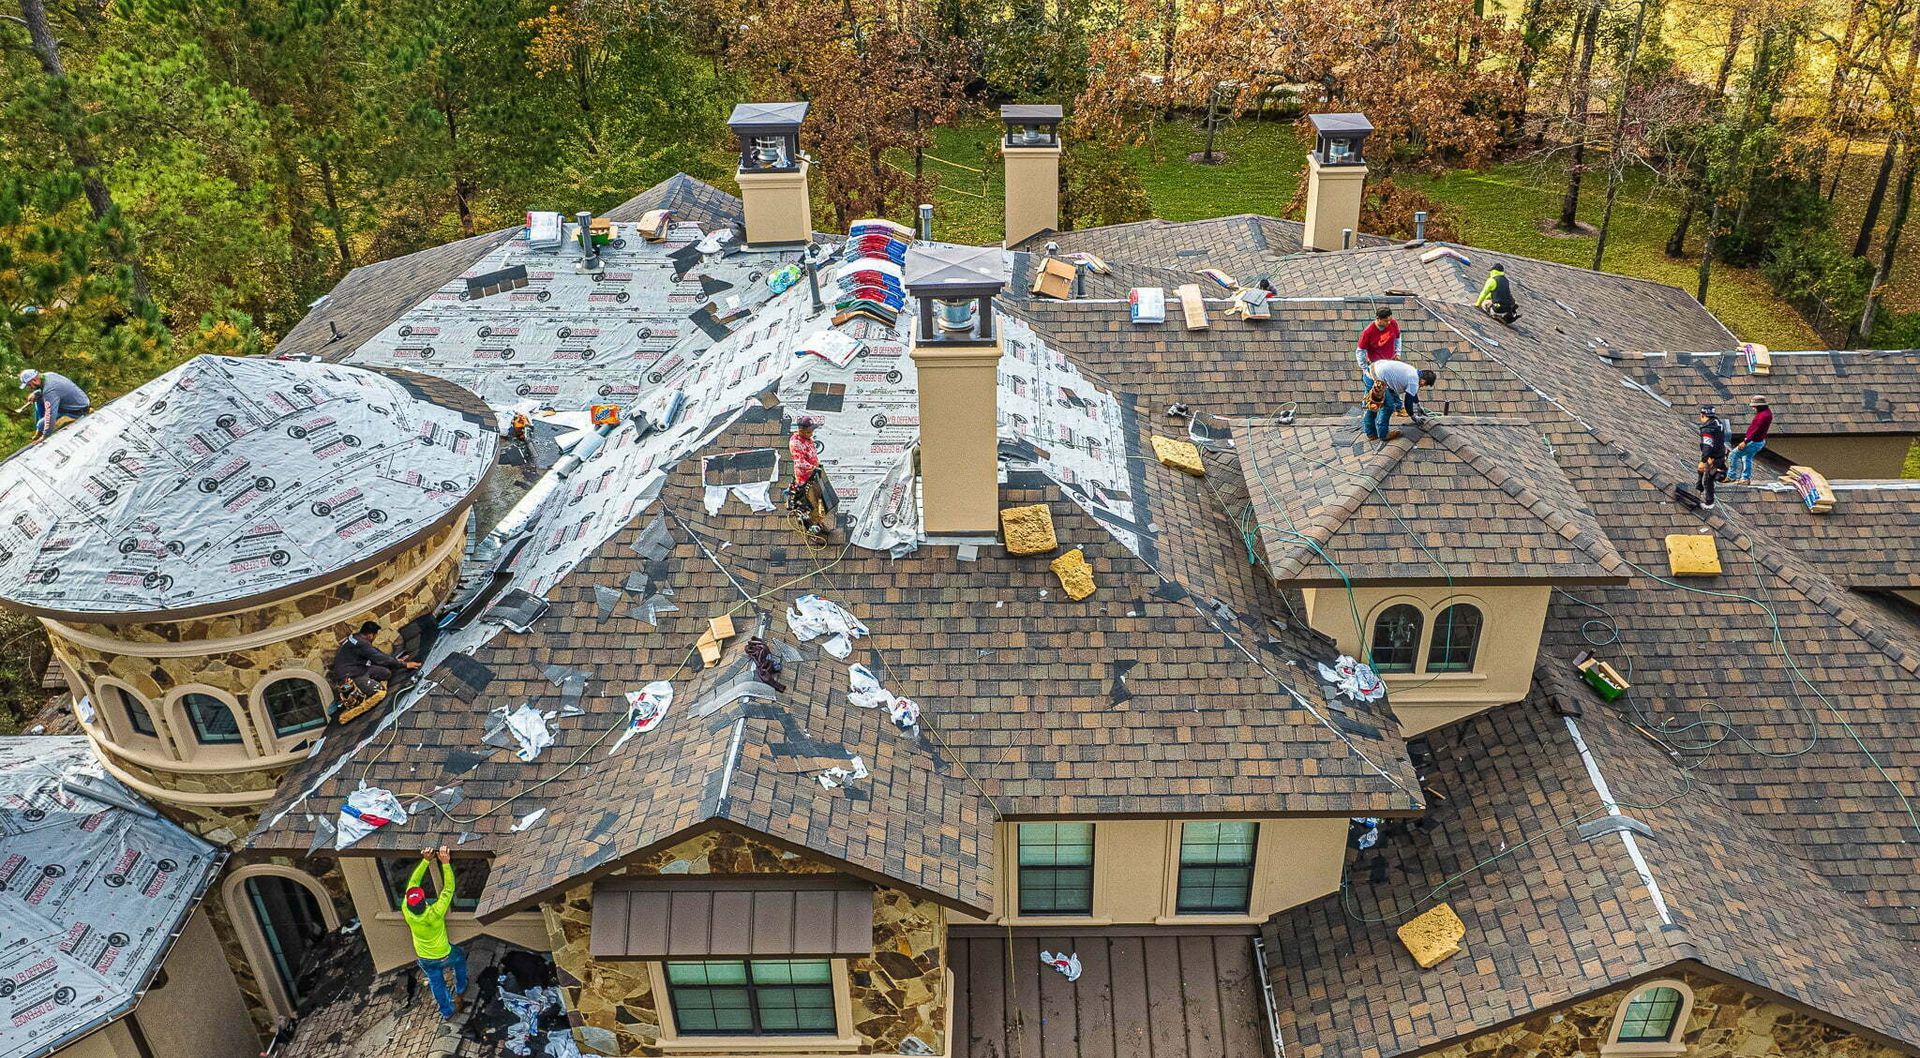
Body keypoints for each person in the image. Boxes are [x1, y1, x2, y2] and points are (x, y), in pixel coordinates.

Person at [405, 846, 468, 1019]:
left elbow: (412, 884)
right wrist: (445, 863)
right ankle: (461, 987)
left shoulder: (407, 910)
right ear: (424, 902)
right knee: (460, 959)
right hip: (444, 954)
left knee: (436, 983)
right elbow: (448, 889)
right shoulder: (435, 913)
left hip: (425, 958)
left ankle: (446, 1011)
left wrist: (425, 860)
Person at [328, 621, 419, 698]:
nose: (374, 638)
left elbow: (376, 652)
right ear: (371, 635)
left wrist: (395, 660)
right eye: (375, 636)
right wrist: (405, 665)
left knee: (386, 673)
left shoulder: (356, 637)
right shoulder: (361, 644)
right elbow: (379, 658)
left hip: (359, 668)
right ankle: (362, 686)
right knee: (378, 689)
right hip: (350, 676)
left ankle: (368, 680)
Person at [1363, 361, 1438, 443]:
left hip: (1369, 372)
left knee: (1372, 405)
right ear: (1424, 381)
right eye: (1425, 385)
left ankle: (1371, 434)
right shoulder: (1414, 380)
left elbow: (1413, 393)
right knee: (1388, 406)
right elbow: (1408, 402)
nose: (1423, 386)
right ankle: (1383, 434)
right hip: (1376, 379)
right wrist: (1413, 416)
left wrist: (1418, 405)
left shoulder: (1413, 372)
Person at [786, 416, 836, 540]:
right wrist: (813, 468)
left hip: (814, 475)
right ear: (801, 430)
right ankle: (813, 531)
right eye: (808, 431)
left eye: (812, 431)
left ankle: (819, 522)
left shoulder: (808, 439)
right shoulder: (796, 442)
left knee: (822, 501)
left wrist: (816, 466)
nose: (811, 434)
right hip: (805, 479)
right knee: (811, 504)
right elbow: (800, 463)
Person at [19, 369, 90, 441]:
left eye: (29, 385)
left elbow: (50, 415)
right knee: (38, 398)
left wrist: (45, 436)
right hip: (79, 401)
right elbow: (54, 390)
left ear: (34, 380)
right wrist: (36, 393)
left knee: (41, 425)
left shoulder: (49, 391)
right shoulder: (48, 375)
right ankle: (40, 430)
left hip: (77, 411)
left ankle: (41, 429)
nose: (29, 388)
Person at [1727, 396, 1771, 484]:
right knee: (1747, 458)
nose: (1753, 408)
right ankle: (1745, 478)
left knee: (1733, 455)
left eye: (1755, 406)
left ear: (1760, 406)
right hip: (1759, 441)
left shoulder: (1763, 416)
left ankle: (1731, 476)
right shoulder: (1766, 413)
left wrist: (1745, 442)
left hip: (1753, 441)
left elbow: (1755, 430)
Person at [1355, 307, 1401, 385]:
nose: (1389, 323)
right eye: (1386, 321)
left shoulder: (1393, 323)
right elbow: (1360, 352)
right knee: (1374, 393)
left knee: (1392, 391)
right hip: (1376, 367)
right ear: (1378, 319)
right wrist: (1365, 369)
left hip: (1390, 364)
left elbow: (1398, 338)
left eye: (1390, 320)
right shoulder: (1368, 332)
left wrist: (1398, 352)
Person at [1696, 405, 1730, 509]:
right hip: (1720, 454)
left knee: (1708, 480)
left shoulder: (1708, 429)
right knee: (1710, 475)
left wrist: (1704, 460)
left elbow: (1707, 446)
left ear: (1702, 415)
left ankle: (1709, 503)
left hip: (1714, 457)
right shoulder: (1718, 423)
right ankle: (1720, 473)